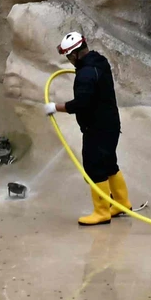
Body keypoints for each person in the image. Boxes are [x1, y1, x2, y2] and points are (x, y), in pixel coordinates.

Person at [54, 28, 128, 227]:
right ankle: (121, 203)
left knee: (94, 168)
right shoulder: (99, 61)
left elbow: (81, 104)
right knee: (109, 163)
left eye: (69, 56)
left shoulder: (85, 74)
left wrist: (55, 107)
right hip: (111, 124)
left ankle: (102, 212)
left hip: (97, 128)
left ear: (75, 54)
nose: (69, 60)